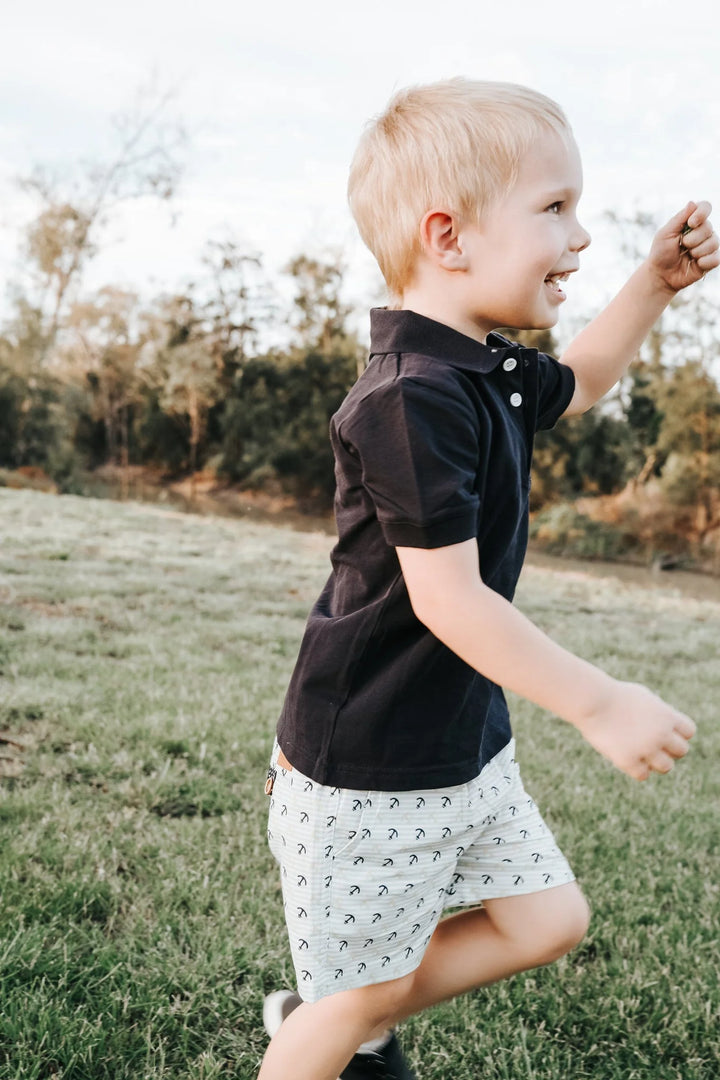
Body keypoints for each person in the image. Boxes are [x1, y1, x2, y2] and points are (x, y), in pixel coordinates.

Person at [257, 79, 718, 1080]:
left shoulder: (486, 371)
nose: (581, 236)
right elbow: (448, 598)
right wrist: (600, 704)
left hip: (459, 744)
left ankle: (329, 1014)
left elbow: (586, 380)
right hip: (368, 770)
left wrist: (653, 282)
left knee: (548, 919)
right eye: (555, 209)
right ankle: (325, 1030)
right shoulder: (410, 399)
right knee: (350, 1013)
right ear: (449, 236)